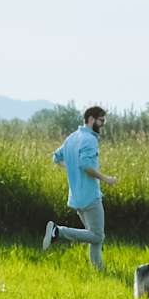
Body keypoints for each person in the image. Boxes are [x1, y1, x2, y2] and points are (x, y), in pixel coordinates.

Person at [45, 106, 116, 269]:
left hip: (76, 196)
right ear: (91, 119)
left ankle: (99, 270)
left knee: (93, 236)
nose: (103, 125)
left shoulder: (72, 138)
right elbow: (86, 165)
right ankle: (58, 231)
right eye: (101, 121)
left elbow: (56, 158)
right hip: (90, 196)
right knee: (97, 236)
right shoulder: (90, 139)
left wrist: (71, 166)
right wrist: (107, 179)